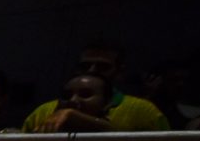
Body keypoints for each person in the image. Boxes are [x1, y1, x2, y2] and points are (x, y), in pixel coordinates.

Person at [24, 41, 169, 132]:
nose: (91, 71)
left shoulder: (143, 110)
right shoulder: (44, 111)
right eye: (85, 66)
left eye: (102, 67)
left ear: (119, 72)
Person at [21, 71, 167, 132]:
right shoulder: (45, 117)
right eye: (67, 95)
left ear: (107, 103)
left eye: (85, 94)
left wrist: (74, 116)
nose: (73, 100)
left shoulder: (110, 127)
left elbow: (112, 134)